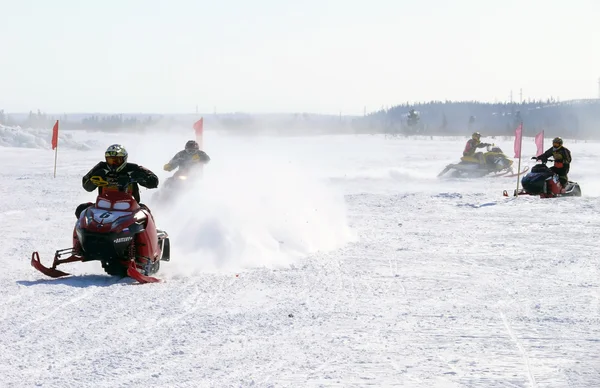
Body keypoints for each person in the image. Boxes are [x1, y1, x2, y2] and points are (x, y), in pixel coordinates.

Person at [75, 144, 159, 218]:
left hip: (130, 207)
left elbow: (154, 181)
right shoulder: (101, 167)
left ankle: (152, 234)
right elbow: (86, 184)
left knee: (146, 214)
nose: (113, 164)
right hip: (103, 205)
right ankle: (82, 234)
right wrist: (93, 180)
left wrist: (137, 177)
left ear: (124, 159)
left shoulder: (133, 168)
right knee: (81, 210)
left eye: (117, 161)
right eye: (110, 160)